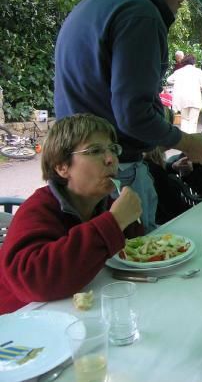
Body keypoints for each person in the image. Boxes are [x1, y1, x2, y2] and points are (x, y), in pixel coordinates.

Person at [53, 0, 202, 232]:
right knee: (142, 263)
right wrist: (186, 142)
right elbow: (134, 113)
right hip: (114, 168)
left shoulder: (99, 1)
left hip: (79, 166)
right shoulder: (140, 13)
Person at [0, 114, 144, 314]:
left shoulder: (105, 204)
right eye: (95, 151)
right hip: (20, 326)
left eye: (113, 149)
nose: (111, 159)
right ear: (62, 167)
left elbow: (133, 256)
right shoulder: (39, 209)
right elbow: (33, 280)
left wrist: (129, 222)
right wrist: (113, 222)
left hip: (81, 313)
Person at [168, 54, 202, 134]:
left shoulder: (178, 72)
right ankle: (191, 140)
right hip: (195, 99)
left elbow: (169, 80)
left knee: (184, 120)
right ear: (193, 62)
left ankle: (184, 139)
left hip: (183, 99)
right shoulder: (198, 71)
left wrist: (177, 82)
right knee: (193, 121)